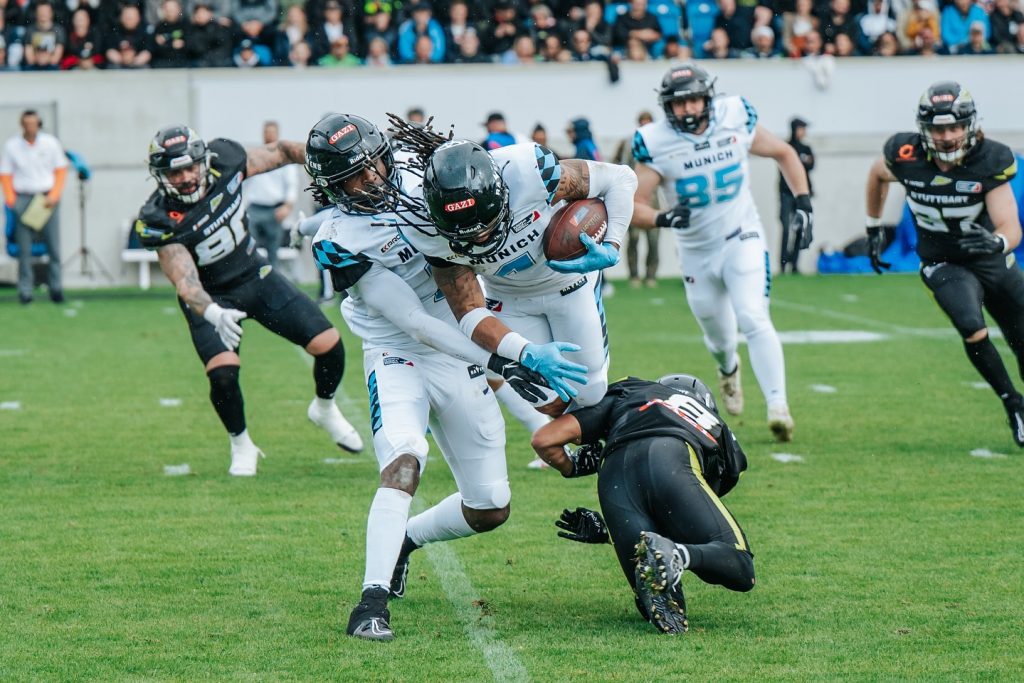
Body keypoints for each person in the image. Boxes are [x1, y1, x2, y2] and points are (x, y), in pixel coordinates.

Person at [302, 113, 551, 641]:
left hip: (463, 344)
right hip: (399, 354)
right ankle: (371, 603)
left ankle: (406, 542)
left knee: (490, 509)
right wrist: (501, 358)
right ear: (330, 186)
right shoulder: (339, 236)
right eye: (352, 177)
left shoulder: (427, 178)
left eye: (372, 167)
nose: (369, 181)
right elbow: (413, 321)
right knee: (404, 461)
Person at [133, 125, 363, 476]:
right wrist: (211, 311)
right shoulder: (159, 218)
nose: (183, 177)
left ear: (203, 160)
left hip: (254, 275)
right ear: (161, 177)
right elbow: (184, 280)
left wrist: (332, 164)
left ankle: (325, 408)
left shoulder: (224, 163)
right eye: (173, 172)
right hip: (211, 297)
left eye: (188, 167)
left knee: (329, 344)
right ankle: (241, 443)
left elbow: (283, 151)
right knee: (223, 374)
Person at [387, 117, 639, 418]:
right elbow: (467, 310)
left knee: (590, 391)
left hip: (567, 282)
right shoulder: (419, 226)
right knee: (549, 399)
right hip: (507, 296)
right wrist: (523, 352)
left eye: (488, 224)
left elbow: (621, 178)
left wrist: (611, 245)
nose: (481, 236)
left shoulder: (528, 171)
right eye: (466, 232)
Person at [629, 64, 814, 442]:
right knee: (719, 339)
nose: (688, 109)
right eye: (679, 103)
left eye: (694, 98)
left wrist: (804, 202)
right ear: (668, 107)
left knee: (753, 315)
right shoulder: (655, 141)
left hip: (740, 235)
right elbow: (634, 204)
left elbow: (783, 151)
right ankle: (729, 369)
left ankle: (779, 406)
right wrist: (662, 218)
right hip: (696, 251)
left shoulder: (734, 117)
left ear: (708, 98)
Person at [530, 373, 754, 634]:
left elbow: (544, 440)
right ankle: (679, 556)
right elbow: (684, 519)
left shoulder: (631, 389)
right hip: (672, 456)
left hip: (613, 473)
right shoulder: (716, 425)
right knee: (739, 567)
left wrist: (574, 468)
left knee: (658, 601)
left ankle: (672, 555)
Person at [864, 81, 1024, 446]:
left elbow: (1010, 226)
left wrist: (997, 241)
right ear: (925, 130)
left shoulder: (990, 158)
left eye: (954, 127)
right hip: (942, 260)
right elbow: (876, 174)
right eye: (938, 128)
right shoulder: (905, 154)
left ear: (969, 125)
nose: (948, 136)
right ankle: (1013, 403)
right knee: (970, 322)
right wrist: (873, 225)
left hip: (988, 258)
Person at [0, 109, 67, 305]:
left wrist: (54, 196)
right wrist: (12, 200)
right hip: (24, 198)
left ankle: (56, 289)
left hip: (47, 200)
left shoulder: (50, 143)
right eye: (27, 123)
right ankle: (25, 292)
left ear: (39, 124)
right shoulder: (12, 146)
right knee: (24, 249)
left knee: (54, 247)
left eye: (34, 123)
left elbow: (60, 170)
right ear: (22, 125)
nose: (30, 127)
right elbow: (5, 174)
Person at [613, 110, 660, 289]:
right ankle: (634, 275)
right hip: (632, 197)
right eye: (642, 122)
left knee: (653, 240)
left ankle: (651, 276)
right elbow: (617, 164)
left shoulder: (659, 143)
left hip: (654, 198)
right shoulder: (627, 143)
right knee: (633, 239)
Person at [243, 121, 299, 272]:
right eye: (266, 132)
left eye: (272, 132)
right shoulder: (254, 156)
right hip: (255, 209)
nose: (269, 135)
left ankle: (273, 283)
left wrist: (287, 206)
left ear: (277, 134)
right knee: (248, 247)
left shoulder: (284, 158)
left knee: (273, 250)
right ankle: (250, 278)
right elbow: (245, 182)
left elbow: (291, 185)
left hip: (275, 210)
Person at [778, 117, 815, 273]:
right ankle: (783, 264)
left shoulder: (806, 148)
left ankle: (794, 265)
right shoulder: (786, 147)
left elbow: (811, 165)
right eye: (802, 128)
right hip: (786, 195)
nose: (804, 132)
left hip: (801, 196)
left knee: (800, 230)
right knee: (786, 230)